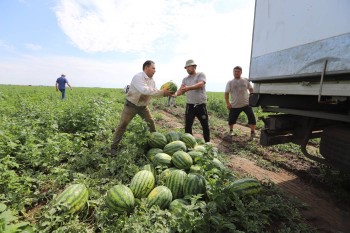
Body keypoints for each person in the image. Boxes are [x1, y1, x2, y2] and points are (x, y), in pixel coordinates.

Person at [111, 60, 173, 155]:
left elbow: (155, 94)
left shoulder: (152, 81)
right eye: (153, 68)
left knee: (151, 123)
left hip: (143, 107)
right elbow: (144, 90)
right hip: (131, 105)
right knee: (123, 124)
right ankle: (113, 147)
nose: (155, 71)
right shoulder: (138, 77)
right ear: (146, 68)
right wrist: (162, 92)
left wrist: (165, 94)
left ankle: (155, 143)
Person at [174, 59, 210, 142]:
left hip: (201, 105)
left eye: (189, 67)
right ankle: (189, 143)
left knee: (205, 125)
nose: (187, 69)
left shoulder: (200, 75)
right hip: (190, 105)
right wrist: (175, 94)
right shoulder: (185, 79)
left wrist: (188, 88)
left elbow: (201, 84)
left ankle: (207, 143)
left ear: (194, 66)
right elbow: (181, 90)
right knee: (188, 126)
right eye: (186, 67)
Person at [224, 66, 256, 140]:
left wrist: (251, 94)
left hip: (246, 104)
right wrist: (228, 103)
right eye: (235, 71)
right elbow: (226, 94)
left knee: (252, 117)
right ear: (233, 72)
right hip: (235, 105)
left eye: (238, 71)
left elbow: (251, 88)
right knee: (231, 119)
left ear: (241, 72)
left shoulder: (245, 80)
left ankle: (252, 133)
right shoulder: (230, 82)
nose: (236, 73)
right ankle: (231, 131)